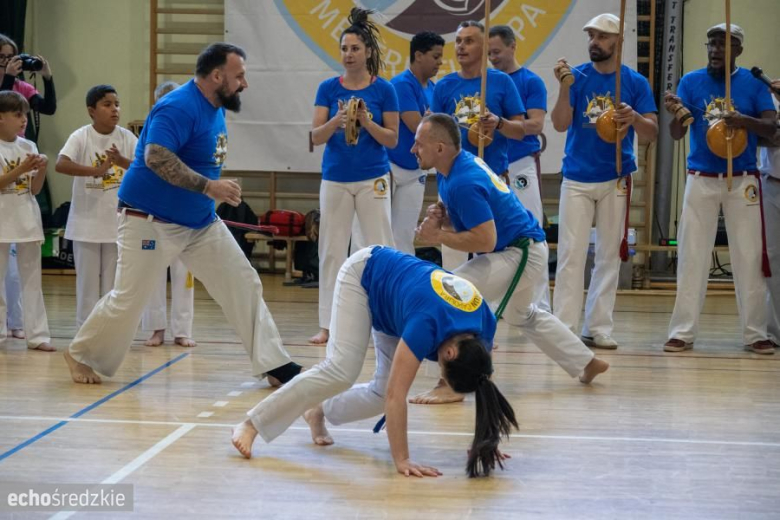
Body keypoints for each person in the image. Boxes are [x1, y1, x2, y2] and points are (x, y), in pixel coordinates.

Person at [63, 43, 302, 385]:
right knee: (129, 300)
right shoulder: (177, 107)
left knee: (243, 282)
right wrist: (210, 187)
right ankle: (80, 353)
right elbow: (156, 157)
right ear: (217, 76)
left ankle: (274, 364)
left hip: (199, 223)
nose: (244, 84)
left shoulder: (215, 106)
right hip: (149, 220)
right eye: (239, 76)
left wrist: (209, 192)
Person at [232, 246, 518, 478]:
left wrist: (484, 442)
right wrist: (402, 459)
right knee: (341, 370)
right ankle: (252, 423)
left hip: (397, 306)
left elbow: (483, 383)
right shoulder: (427, 325)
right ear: (449, 354)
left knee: (378, 395)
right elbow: (398, 396)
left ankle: (317, 410)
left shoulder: (484, 326)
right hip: (365, 275)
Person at [412, 114, 608, 404]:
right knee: (521, 314)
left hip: (519, 253)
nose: (412, 150)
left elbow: (485, 239)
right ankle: (587, 362)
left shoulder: (463, 180)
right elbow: (472, 222)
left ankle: (450, 383)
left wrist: (438, 236)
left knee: (451, 293)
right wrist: (442, 220)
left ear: (440, 148)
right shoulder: (451, 168)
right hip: (523, 248)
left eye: (418, 144)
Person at [663, 24, 777, 355]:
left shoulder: (753, 84)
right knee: (692, 255)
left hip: (743, 179)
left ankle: (755, 333)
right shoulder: (690, 81)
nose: (715, 50)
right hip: (701, 177)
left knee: (748, 255)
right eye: (711, 44)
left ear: (738, 50)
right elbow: (675, 135)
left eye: (722, 45)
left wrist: (744, 121)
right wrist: (677, 115)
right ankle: (682, 332)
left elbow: (772, 128)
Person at [550, 13, 658, 349]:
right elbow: (558, 124)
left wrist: (635, 117)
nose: (594, 42)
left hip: (616, 177)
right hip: (578, 177)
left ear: (618, 42)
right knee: (571, 254)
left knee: (609, 254)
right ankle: (564, 326)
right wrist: (564, 89)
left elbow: (651, 132)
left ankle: (598, 326)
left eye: (602, 36)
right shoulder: (578, 77)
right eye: (591, 36)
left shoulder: (634, 82)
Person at [309, 7, 399, 345]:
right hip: (335, 177)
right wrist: (338, 120)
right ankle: (328, 325)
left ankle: (385, 319)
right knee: (332, 249)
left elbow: (392, 139)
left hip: (373, 176)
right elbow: (315, 136)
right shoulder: (328, 89)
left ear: (368, 52)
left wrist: (366, 122)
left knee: (379, 247)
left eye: (355, 49)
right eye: (345, 49)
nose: (349, 55)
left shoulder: (384, 90)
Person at [431, 20, 526, 271]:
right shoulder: (444, 86)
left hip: (491, 181)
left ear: (484, 47)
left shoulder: (502, 82)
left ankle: (494, 310)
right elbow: (431, 134)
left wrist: (498, 123)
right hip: (454, 183)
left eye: (469, 41)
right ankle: (454, 309)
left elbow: (520, 130)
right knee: (453, 260)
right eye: (459, 41)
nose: (461, 46)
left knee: (495, 255)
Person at [55, 85, 138, 327]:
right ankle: (85, 330)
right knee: (87, 284)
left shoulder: (126, 137)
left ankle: (108, 331)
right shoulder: (81, 136)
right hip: (86, 223)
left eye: (117, 104)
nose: (115, 109)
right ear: (92, 111)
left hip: (117, 224)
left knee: (113, 285)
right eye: (107, 104)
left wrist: (121, 161)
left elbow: (143, 170)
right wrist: (96, 171)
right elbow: (61, 164)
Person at [488, 24, 550, 310]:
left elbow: (535, 125)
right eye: (488, 52)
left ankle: (539, 304)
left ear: (513, 46)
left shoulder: (530, 81)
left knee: (531, 229)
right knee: (491, 233)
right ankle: (499, 302)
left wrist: (503, 124)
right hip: (491, 167)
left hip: (520, 165)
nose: (493, 57)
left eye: (497, 51)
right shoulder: (485, 82)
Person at [140, 81, 197, 348]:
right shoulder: (153, 131)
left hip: (184, 213)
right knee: (152, 272)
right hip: (155, 211)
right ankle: (156, 328)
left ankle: (182, 330)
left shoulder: (194, 131)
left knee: (184, 272)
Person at [0, 91, 52, 351]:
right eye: (17, 114)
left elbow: (34, 189)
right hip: (2, 220)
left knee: (32, 281)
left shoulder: (28, 146)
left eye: (25, 115)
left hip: (27, 220)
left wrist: (41, 169)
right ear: (0, 118)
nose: (24, 120)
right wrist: (20, 169)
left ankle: (38, 335)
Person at [386, 31, 444, 255]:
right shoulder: (401, 85)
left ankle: (402, 285)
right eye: (436, 56)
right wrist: (431, 120)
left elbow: (437, 127)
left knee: (405, 233)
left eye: (441, 57)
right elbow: (418, 128)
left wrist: (431, 120)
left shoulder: (434, 89)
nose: (440, 62)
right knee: (379, 230)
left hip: (416, 170)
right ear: (418, 55)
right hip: (390, 166)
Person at [0, 33, 56, 134]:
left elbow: (49, 108)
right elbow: (3, 107)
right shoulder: (10, 80)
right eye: (1, 57)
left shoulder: (22, 87)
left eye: (10, 57)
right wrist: (9, 78)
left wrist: (47, 78)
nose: (7, 62)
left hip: (17, 145)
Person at [759, 78, 780, 348]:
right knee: (771, 258)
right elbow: (763, 137)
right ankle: (773, 329)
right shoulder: (771, 97)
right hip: (772, 185)